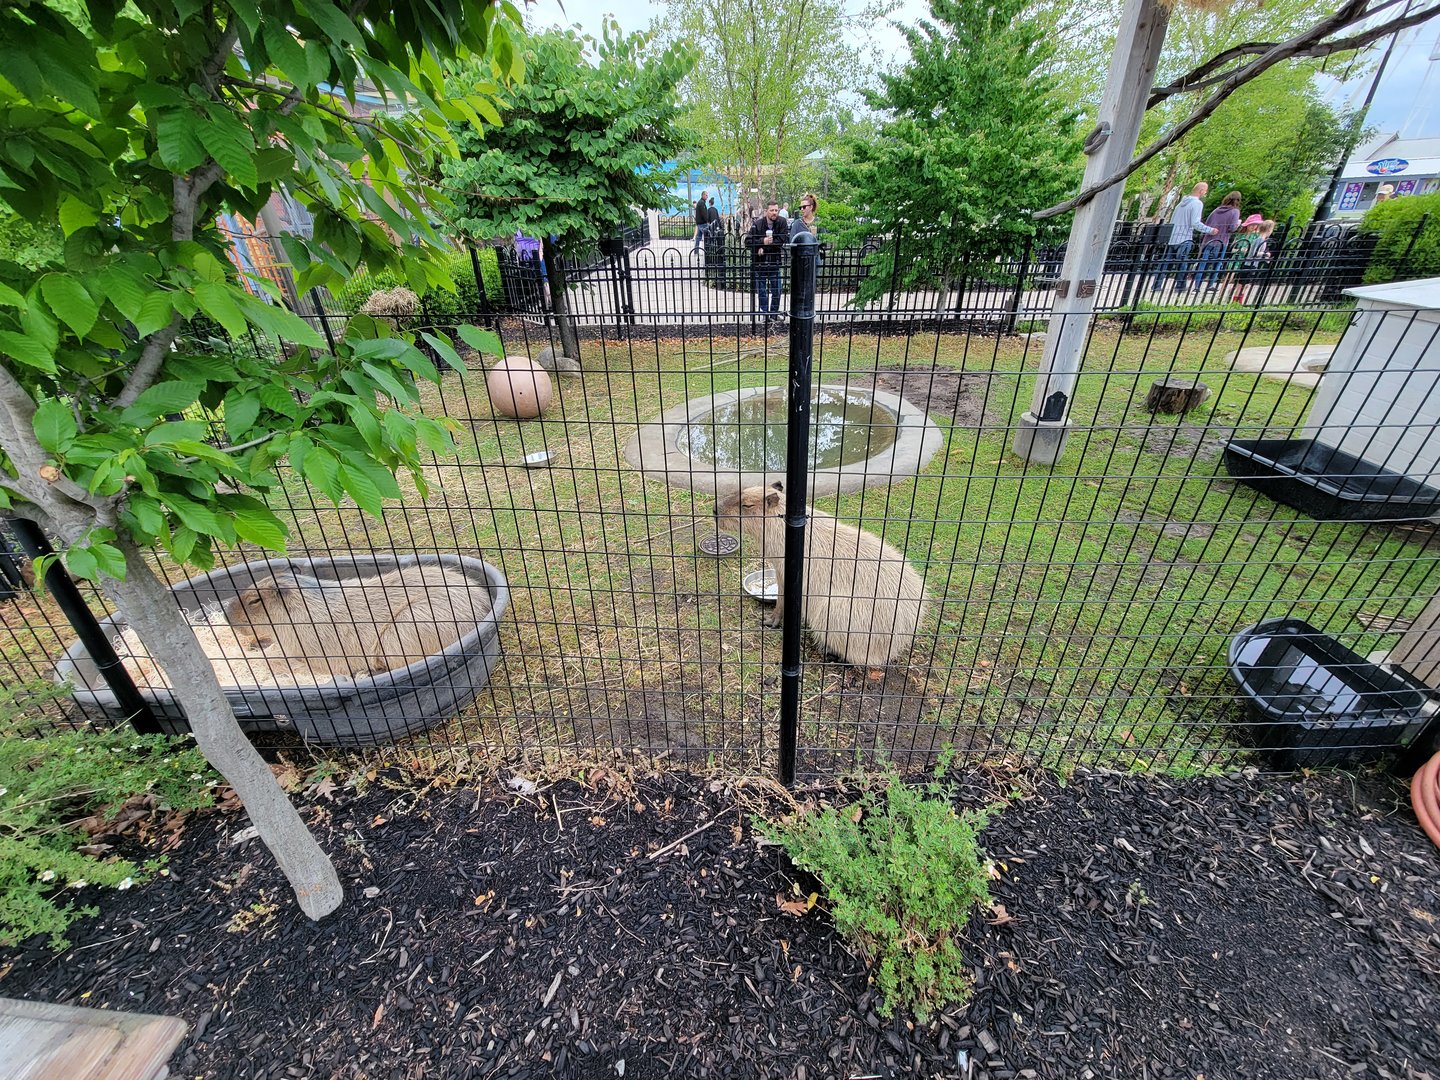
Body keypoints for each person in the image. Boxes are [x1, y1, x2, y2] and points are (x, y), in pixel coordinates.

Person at [1151, 183, 1216, 296]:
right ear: (1201, 191)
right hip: (1184, 237)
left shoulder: (1181, 203)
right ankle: (1180, 286)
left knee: (1165, 262)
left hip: (1173, 236)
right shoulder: (1197, 204)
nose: (1205, 193)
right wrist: (1210, 230)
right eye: (1205, 190)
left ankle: (1157, 285)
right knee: (1182, 263)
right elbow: (1195, 223)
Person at [744, 201, 790, 322]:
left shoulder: (781, 222)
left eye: (776, 210)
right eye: (772, 210)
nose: (774, 213)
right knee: (762, 291)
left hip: (774, 262)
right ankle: (765, 314)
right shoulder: (757, 224)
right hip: (760, 263)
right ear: (766, 211)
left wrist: (764, 247)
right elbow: (748, 241)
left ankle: (774, 314)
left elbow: (781, 240)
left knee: (777, 290)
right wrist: (761, 242)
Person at [1193, 190, 1242, 292]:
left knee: (1203, 263)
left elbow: (1207, 223)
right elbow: (1232, 228)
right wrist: (1238, 224)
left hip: (1208, 240)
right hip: (1221, 241)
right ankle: (1210, 285)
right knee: (1216, 264)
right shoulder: (1235, 211)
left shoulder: (1216, 210)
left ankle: (1196, 287)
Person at [1231, 219, 1275, 304]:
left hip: (1251, 263)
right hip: (1250, 264)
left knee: (1244, 284)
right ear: (1269, 230)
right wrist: (1265, 254)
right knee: (1243, 284)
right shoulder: (1260, 240)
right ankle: (1237, 301)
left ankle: (1238, 300)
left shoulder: (1261, 239)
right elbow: (1254, 252)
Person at [1220, 213, 1263, 296]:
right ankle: (1221, 294)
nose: (1254, 227)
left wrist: (1248, 250)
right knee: (1230, 275)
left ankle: (1233, 293)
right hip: (1237, 257)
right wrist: (1239, 250)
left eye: (1256, 225)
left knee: (1241, 279)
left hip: (1246, 259)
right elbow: (1232, 248)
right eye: (1252, 225)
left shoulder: (1256, 236)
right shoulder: (1241, 235)